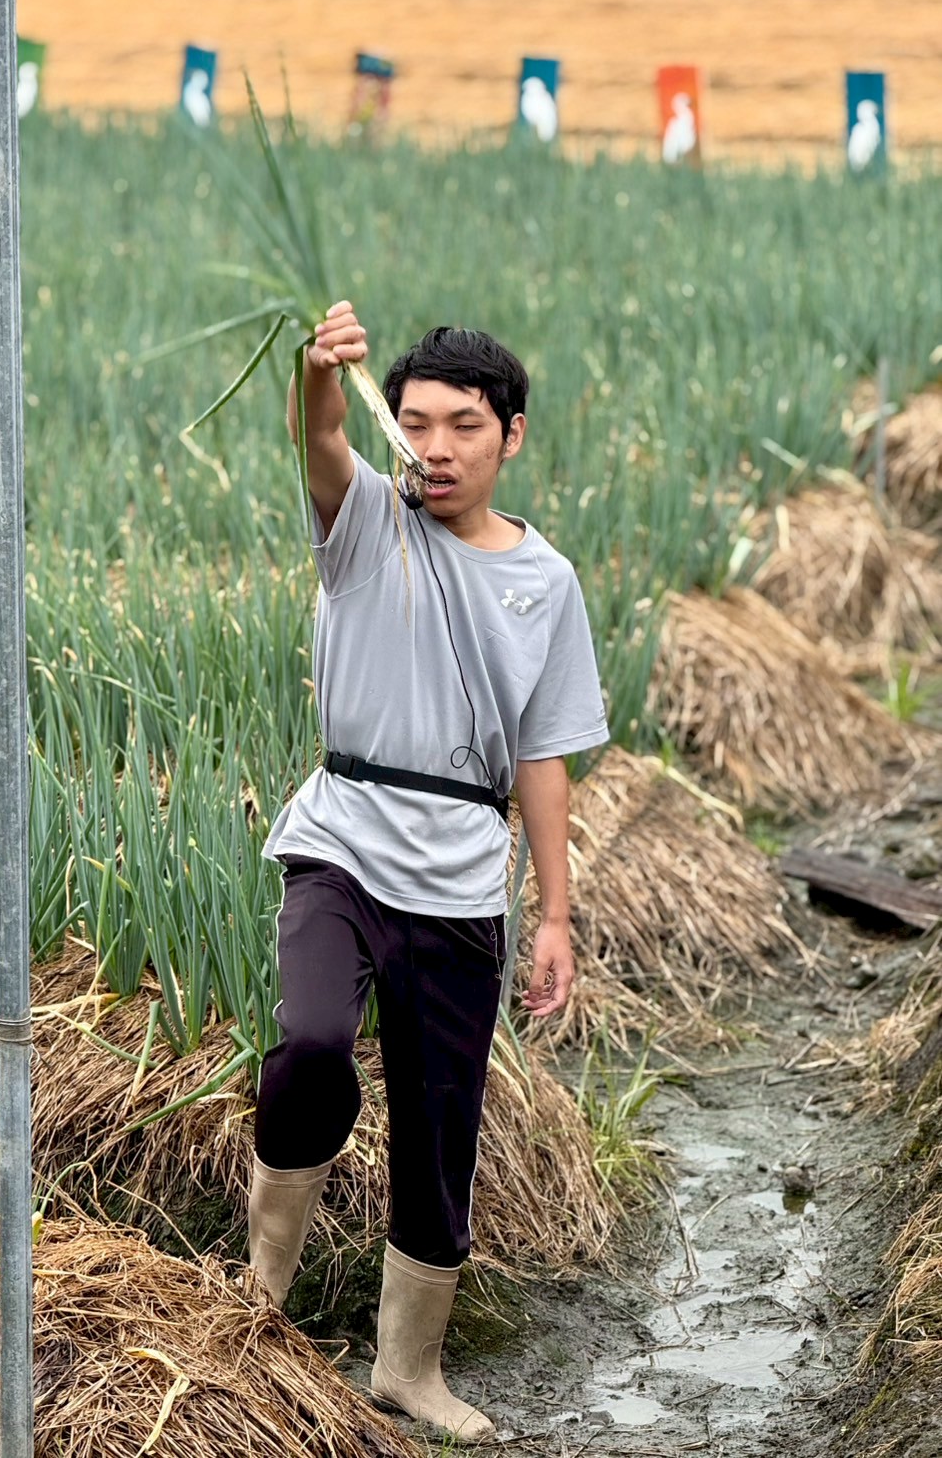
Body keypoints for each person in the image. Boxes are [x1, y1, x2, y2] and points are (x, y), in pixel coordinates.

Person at [247, 301, 609, 1443]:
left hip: (459, 877)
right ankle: (255, 1302)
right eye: (414, 423)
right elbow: (318, 438)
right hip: (343, 844)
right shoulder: (366, 523)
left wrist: (554, 914)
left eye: (464, 425)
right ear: (389, 425)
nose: (436, 447)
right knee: (313, 1043)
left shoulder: (546, 581)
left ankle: (406, 1368)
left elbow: (542, 754)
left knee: (442, 1124)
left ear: (512, 435)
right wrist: (319, 369)